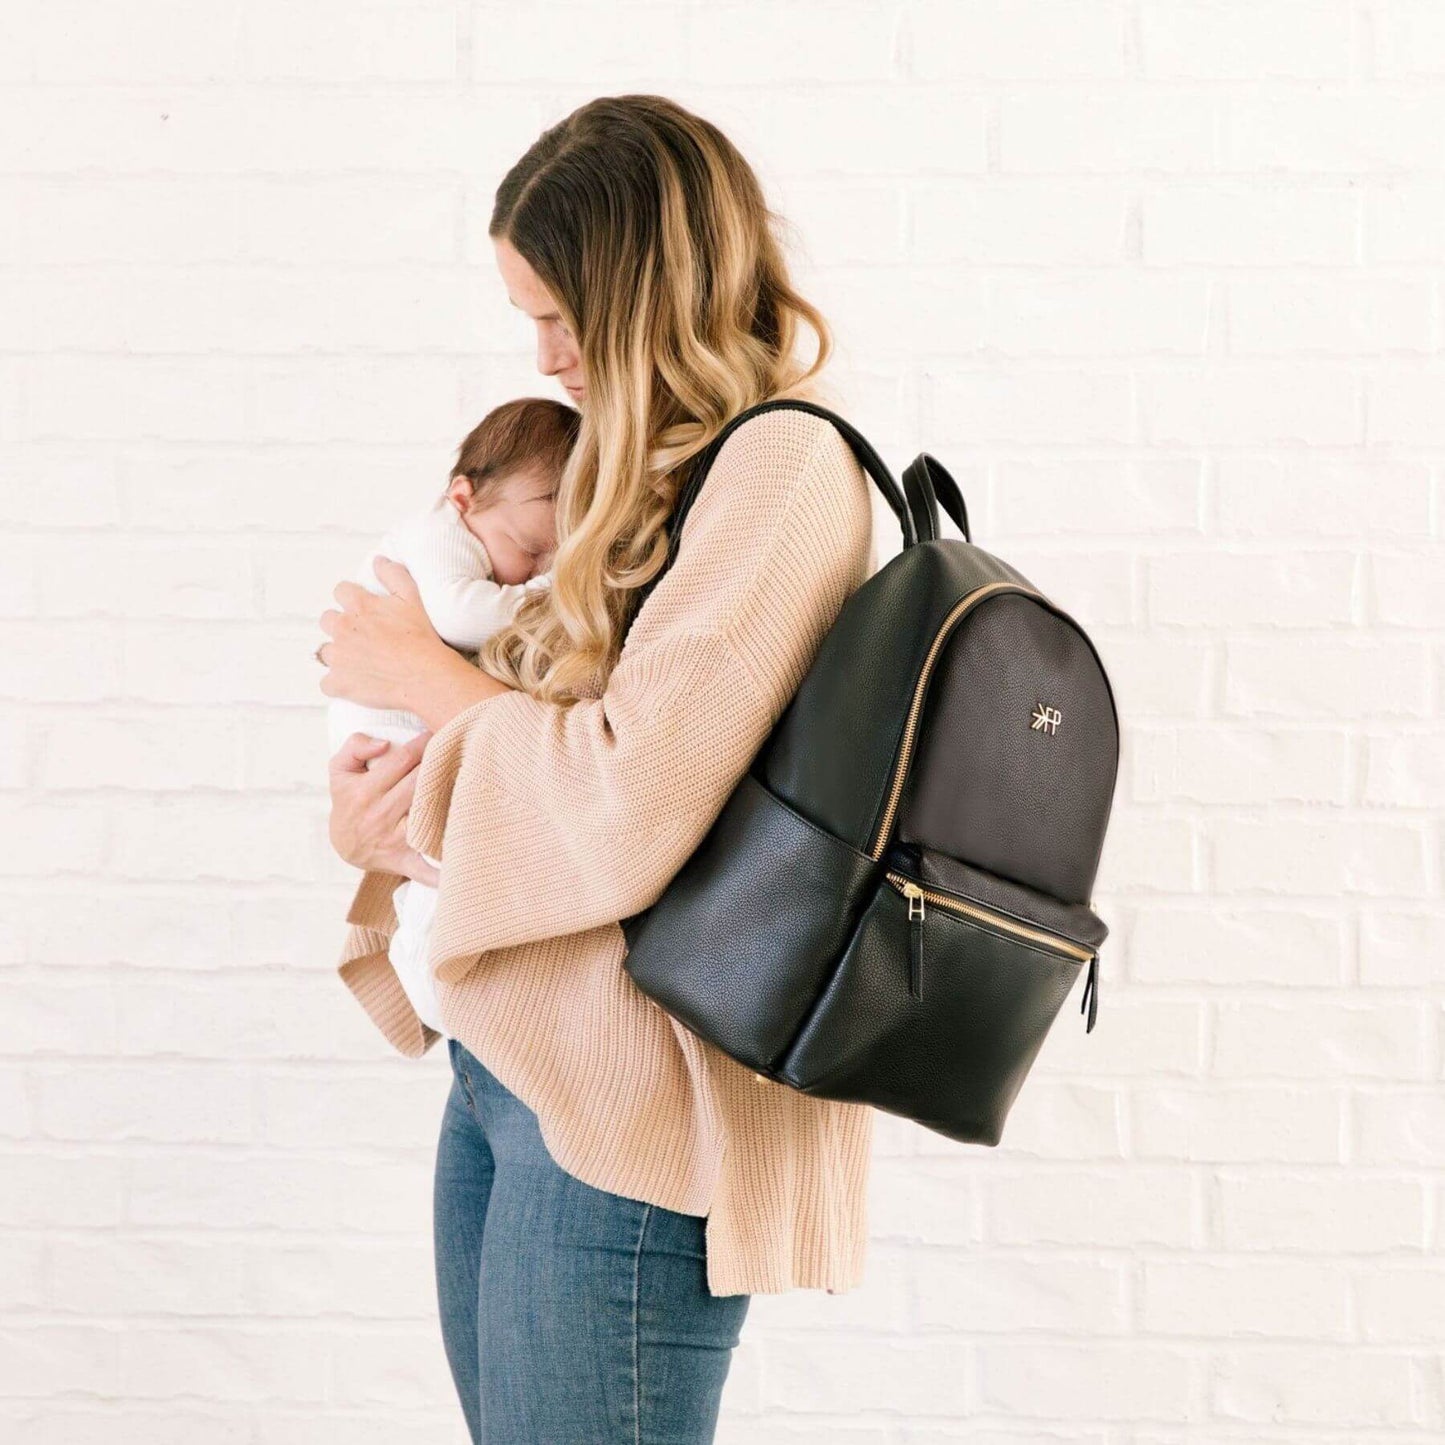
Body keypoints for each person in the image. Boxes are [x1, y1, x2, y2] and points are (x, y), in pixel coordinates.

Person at [318, 93, 878, 1444]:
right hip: (509, 1070)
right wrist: (388, 823)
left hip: (630, 1123)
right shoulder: (630, 471)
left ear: (646, 290)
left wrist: (418, 673)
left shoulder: (781, 471)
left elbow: (626, 803)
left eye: (563, 315)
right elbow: (547, 779)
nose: (546, 356)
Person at [323, 398, 576, 1034]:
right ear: (463, 498)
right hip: (386, 739)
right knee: (435, 867)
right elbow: (462, 615)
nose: (536, 571)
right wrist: (556, 592)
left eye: (555, 557)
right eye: (528, 550)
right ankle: (434, 985)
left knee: (444, 868)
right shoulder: (435, 535)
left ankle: (440, 985)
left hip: (412, 731)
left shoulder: (486, 533)